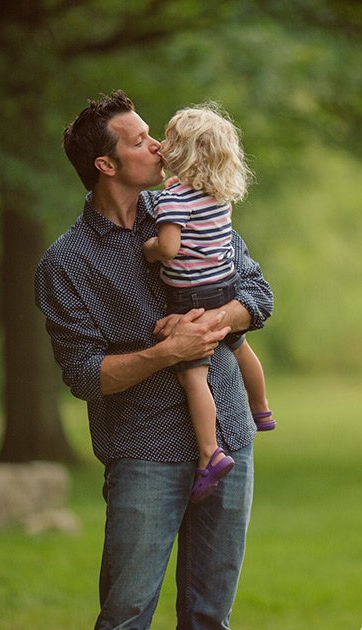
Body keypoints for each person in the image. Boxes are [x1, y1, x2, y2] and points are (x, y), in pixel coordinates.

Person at [34, 90, 273, 630]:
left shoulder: (193, 202)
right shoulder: (64, 265)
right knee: (123, 620)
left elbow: (258, 295)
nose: (159, 146)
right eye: (141, 140)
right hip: (144, 454)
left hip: (230, 441)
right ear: (106, 165)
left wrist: (214, 320)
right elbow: (87, 376)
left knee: (209, 618)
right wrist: (170, 352)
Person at [142, 103, 274, 503]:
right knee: (240, 346)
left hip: (189, 298)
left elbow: (169, 247)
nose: (160, 145)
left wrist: (149, 249)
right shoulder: (219, 198)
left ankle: (208, 452)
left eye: (167, 138)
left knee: (193, 376)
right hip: (225, 288)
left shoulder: (172, 201)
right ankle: (262, 407)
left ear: (182, 151)